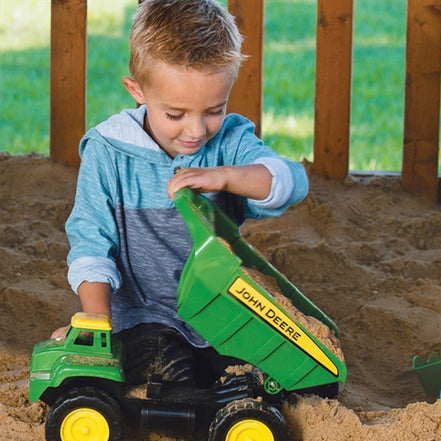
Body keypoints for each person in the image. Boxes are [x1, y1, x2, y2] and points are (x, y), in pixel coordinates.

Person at [51, 0, 309, 387]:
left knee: (272, 378)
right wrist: (96, 325)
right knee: (169, 369)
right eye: (175, 114)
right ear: (136, 90)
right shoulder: (108, 151)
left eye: (214, 109)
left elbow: (290, 183)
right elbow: (91, 242)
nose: (196, 130)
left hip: (222, 313)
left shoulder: (229, 142)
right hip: (144, 316)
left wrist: (225, 176)